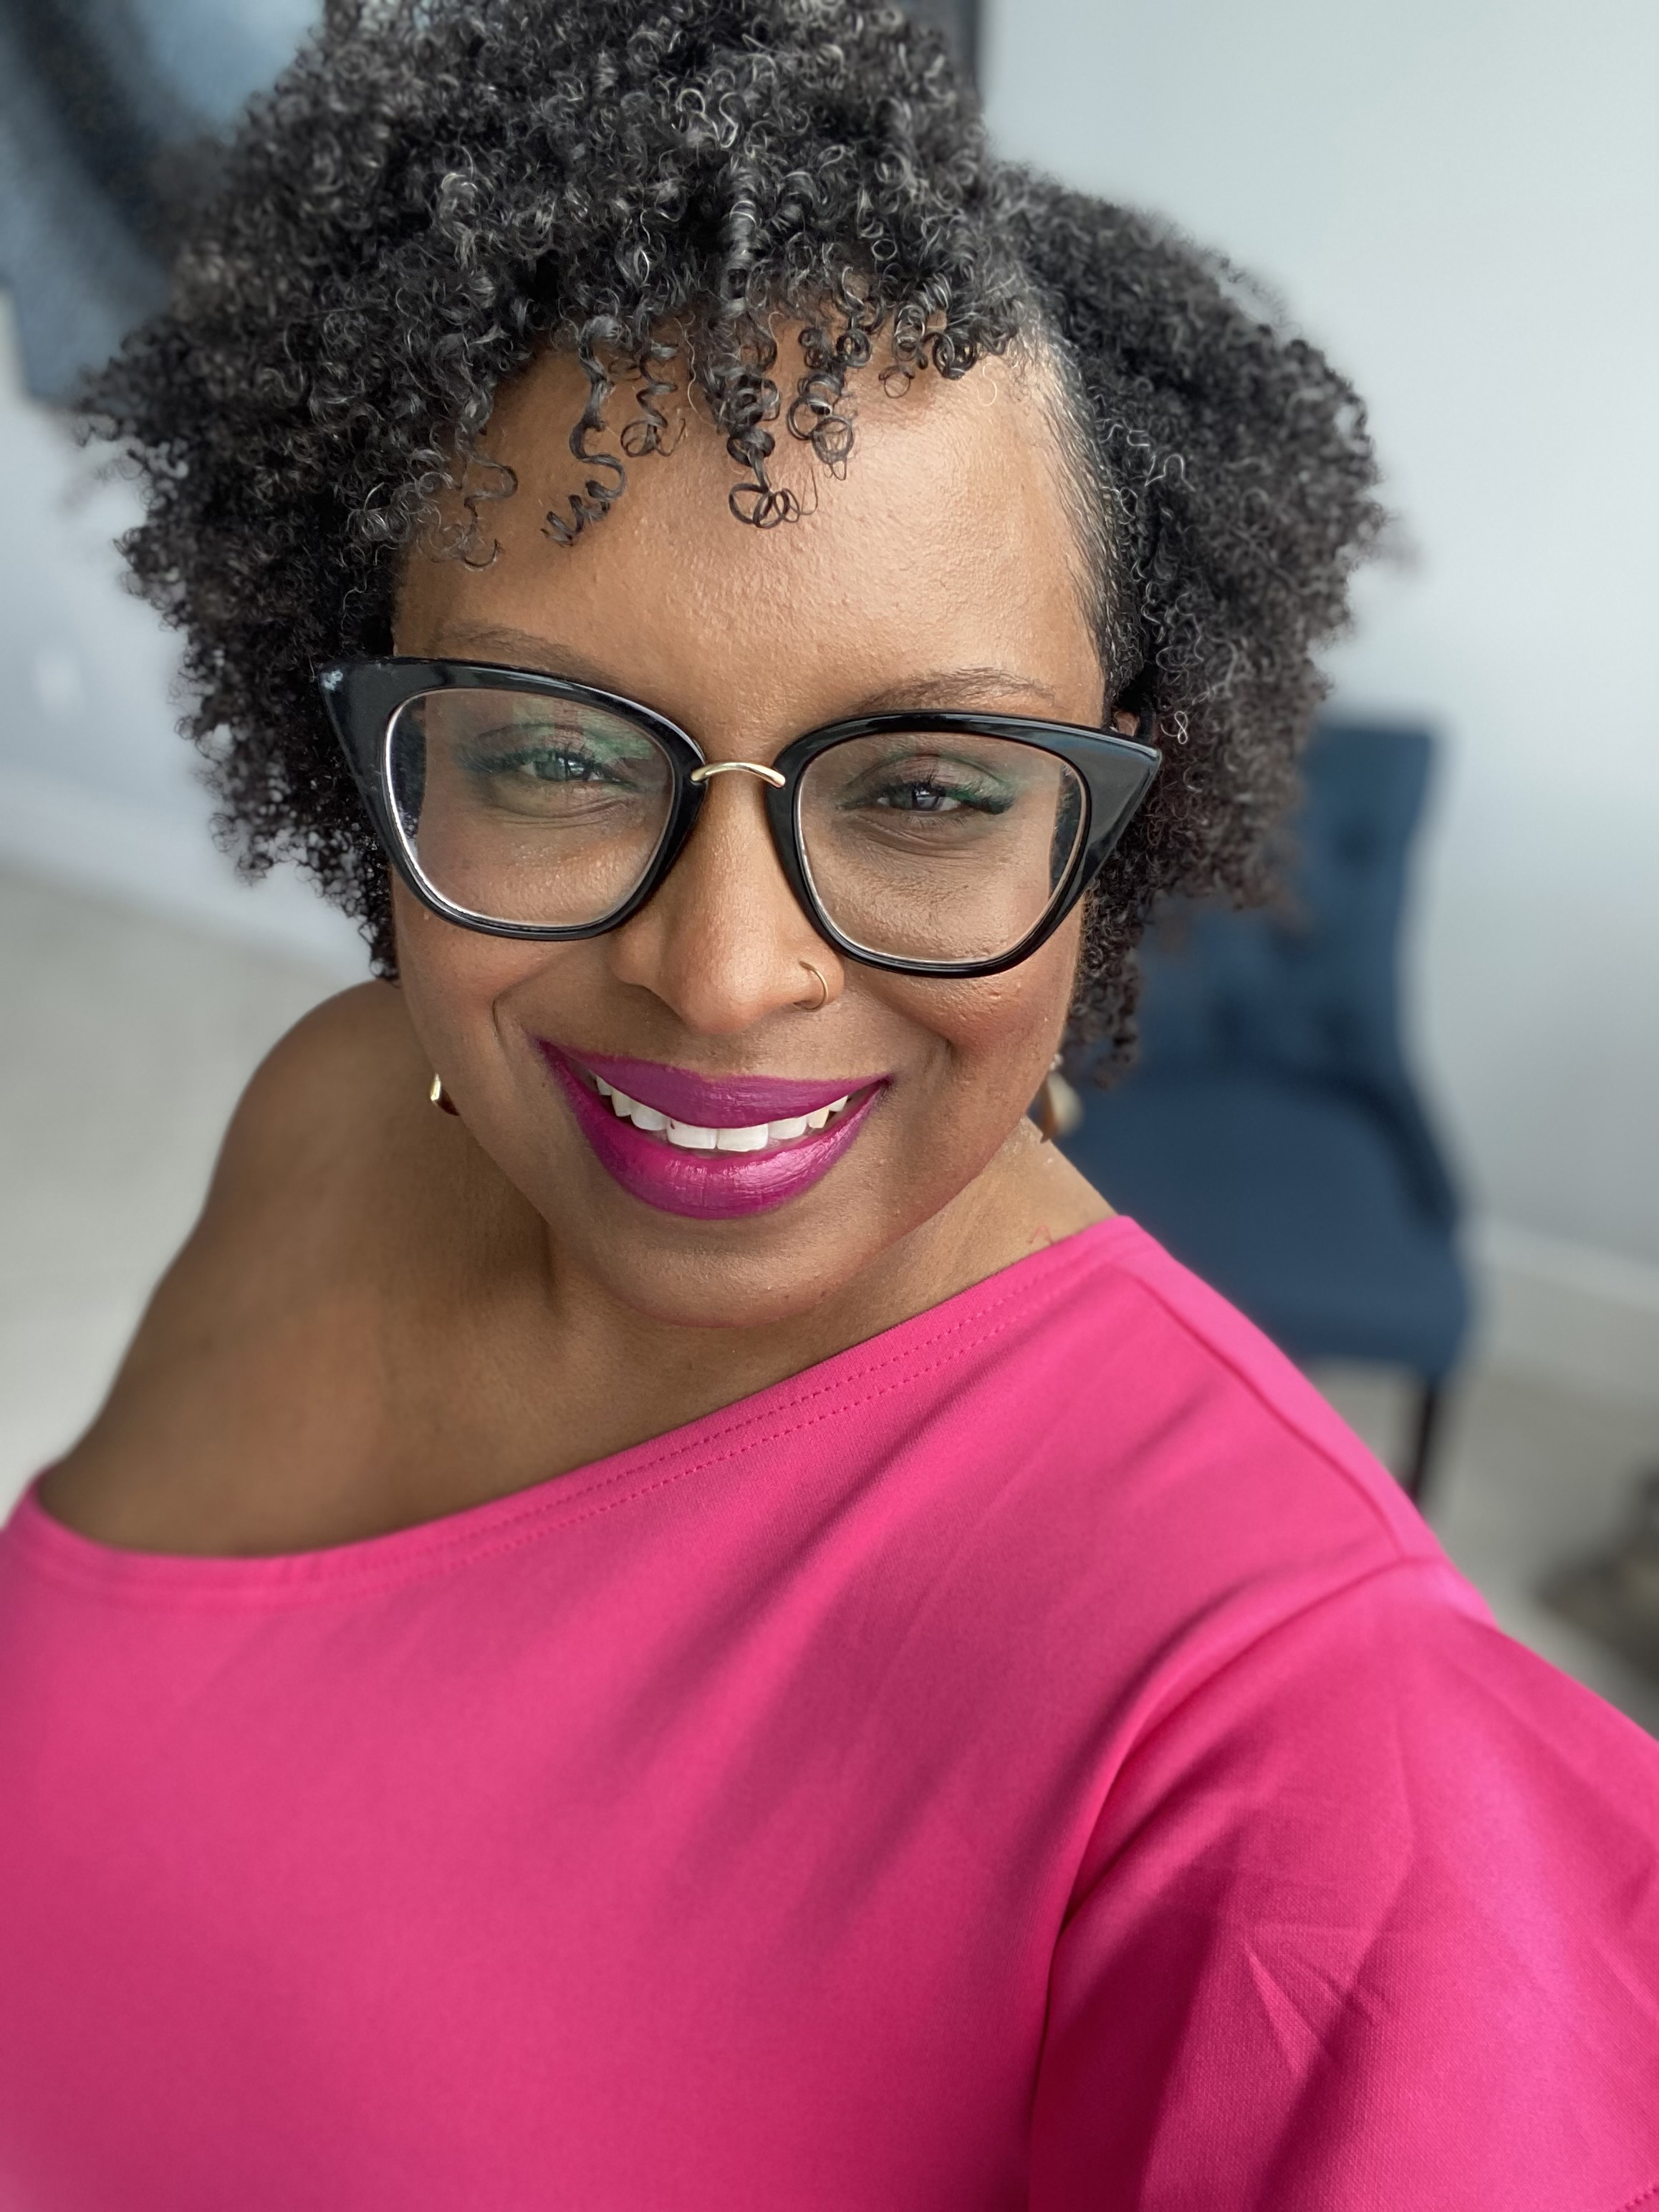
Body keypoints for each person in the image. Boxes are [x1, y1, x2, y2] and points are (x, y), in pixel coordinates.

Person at [1, 3, 1653, 2206]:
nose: (722, 970)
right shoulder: (347, 1108)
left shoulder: (1304, 1738)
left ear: (1117, 804)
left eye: (927, 788)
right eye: (558, 753)